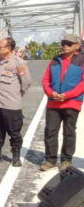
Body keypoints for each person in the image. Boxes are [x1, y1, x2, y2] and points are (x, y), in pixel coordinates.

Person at [40, 33, 84, 171]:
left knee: (69, 132)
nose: (65, 46)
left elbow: (82, 83)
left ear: (77, 46)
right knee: (50, 131)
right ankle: (50, 159)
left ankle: (66, 160)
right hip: (53, 102)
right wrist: (50, 92)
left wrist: (67, 95)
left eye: (69, 44)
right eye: (63, 43)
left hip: (72, 102)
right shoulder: (54, 60)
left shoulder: (82, 61)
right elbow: (45, 80)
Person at [0, 37, 31, 166]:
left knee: (14, 132)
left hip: (11, 105)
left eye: (0, 47)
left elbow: (26, 83)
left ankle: (16, 156)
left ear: (9, 48)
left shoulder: (19, 63)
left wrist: (16, 95)